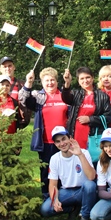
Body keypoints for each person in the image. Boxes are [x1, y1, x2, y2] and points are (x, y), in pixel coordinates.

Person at [19, 67, 70, 197]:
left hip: (64, 141)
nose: (50, 83)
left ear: (57, 81)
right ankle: (47, 196)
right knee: (47, 170)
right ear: (42, 82)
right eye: (46, 80)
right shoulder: (38, 97)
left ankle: (65, 196)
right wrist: (28, 83)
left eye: (52, 80)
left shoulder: (64, 95)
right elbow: (23, 99)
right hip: (46, 141)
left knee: (65, 169)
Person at [40, 126, 97, 220]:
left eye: (63, 139)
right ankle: (73, 208)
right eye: (58, 141)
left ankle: (84, 217)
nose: (62, 143)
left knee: (90, 185)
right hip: (67, 191)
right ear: (55, 144)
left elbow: (91, 176)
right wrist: (55, 200)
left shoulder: (83, 152)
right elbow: (52, 184)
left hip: (83, 190)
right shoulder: (54, 158)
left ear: (70, 138)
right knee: (45, 209)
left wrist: (80, 155)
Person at [62, 66, 111, 161]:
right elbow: (65, 98)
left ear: (92, 78)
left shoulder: (103, 96)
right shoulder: (75, 94)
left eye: (88, 77)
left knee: (93, 163)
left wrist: (90, 119)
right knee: (77, 164)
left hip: (93, 138)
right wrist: (67, 83)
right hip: (76, 137)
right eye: (82, 78)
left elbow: (108, 117)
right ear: (78, 81)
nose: (85, 80)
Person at [0, 46, 30, 128]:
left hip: (14, 125)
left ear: (14, 67)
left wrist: (21, 124)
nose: (7, 68)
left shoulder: (21, 84)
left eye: (10, 66)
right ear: (0, 69)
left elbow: (25, 106)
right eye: (4, 66)